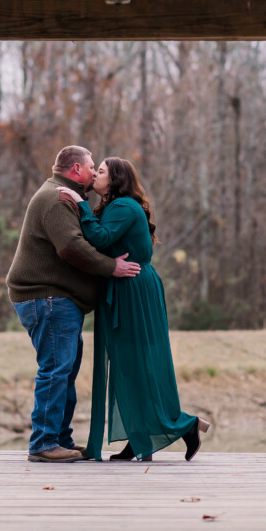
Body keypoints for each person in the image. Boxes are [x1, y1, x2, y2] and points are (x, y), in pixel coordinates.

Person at [57, 157, 211, 462]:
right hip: (123, 288)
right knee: (128, 366)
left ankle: (185, 425)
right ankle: (141, 439)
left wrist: (80, 203)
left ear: (115, 179)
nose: (95, 175)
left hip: (134, 291)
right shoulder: (116, 207)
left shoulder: (125, 206)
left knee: (137, 364)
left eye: (100, 171)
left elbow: (99, 239)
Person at [6, 145, 141, 463]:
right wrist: (112, 267)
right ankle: (43, 444)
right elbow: (71, 247)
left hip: (57, 300)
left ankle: (59, 440)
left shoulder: (64, 195)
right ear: (77, 169)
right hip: (47, 297)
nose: (95, 172)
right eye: (92, 166)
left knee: (64, 371)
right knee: (55, 370)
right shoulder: (56, 198)